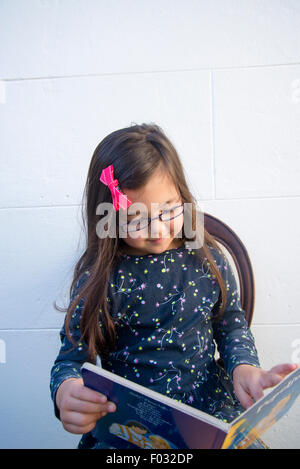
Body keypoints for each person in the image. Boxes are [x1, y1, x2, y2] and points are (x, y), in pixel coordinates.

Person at [50, 123, 298, 449]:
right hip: (130, 421)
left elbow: (231, 323)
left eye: (169, 209)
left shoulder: (206, 258)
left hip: (208, 410)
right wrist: (67, 390)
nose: (158, 229)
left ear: (182, 196)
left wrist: (244, 367)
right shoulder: (101, 278)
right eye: (137, 219)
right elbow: (69, 360)